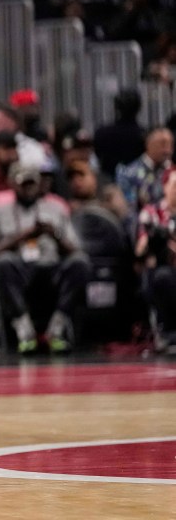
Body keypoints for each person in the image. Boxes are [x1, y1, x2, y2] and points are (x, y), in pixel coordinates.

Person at [0, 162, 90, 355]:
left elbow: (75, 249)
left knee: (80, 262)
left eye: (32, 184)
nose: (28, 189)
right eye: (24, 184)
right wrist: (22, 237)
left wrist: (55, 235)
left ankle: (57, 327)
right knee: (4, 261)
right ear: (13, 184)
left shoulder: (56, 208)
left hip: (52, 266)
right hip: (20, 270)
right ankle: (25, 331)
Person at [135, 167, 176, 355]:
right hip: (161, 271)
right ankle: (166, 331)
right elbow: (140, 248)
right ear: (165, 185)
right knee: (162, 276)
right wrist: (155, 240)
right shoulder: (151, 213)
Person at [116, 126, 173, 212]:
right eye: (163, 144)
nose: (167, 150)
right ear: (148, 144)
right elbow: (127, 209)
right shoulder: (129, 173)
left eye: (170, 144)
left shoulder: (173, 172)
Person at [94, 89, 145, 180]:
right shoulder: (143, 135)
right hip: (138, 181)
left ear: (116, 107)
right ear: (139, 108)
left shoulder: (102, 133)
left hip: (108, 181)